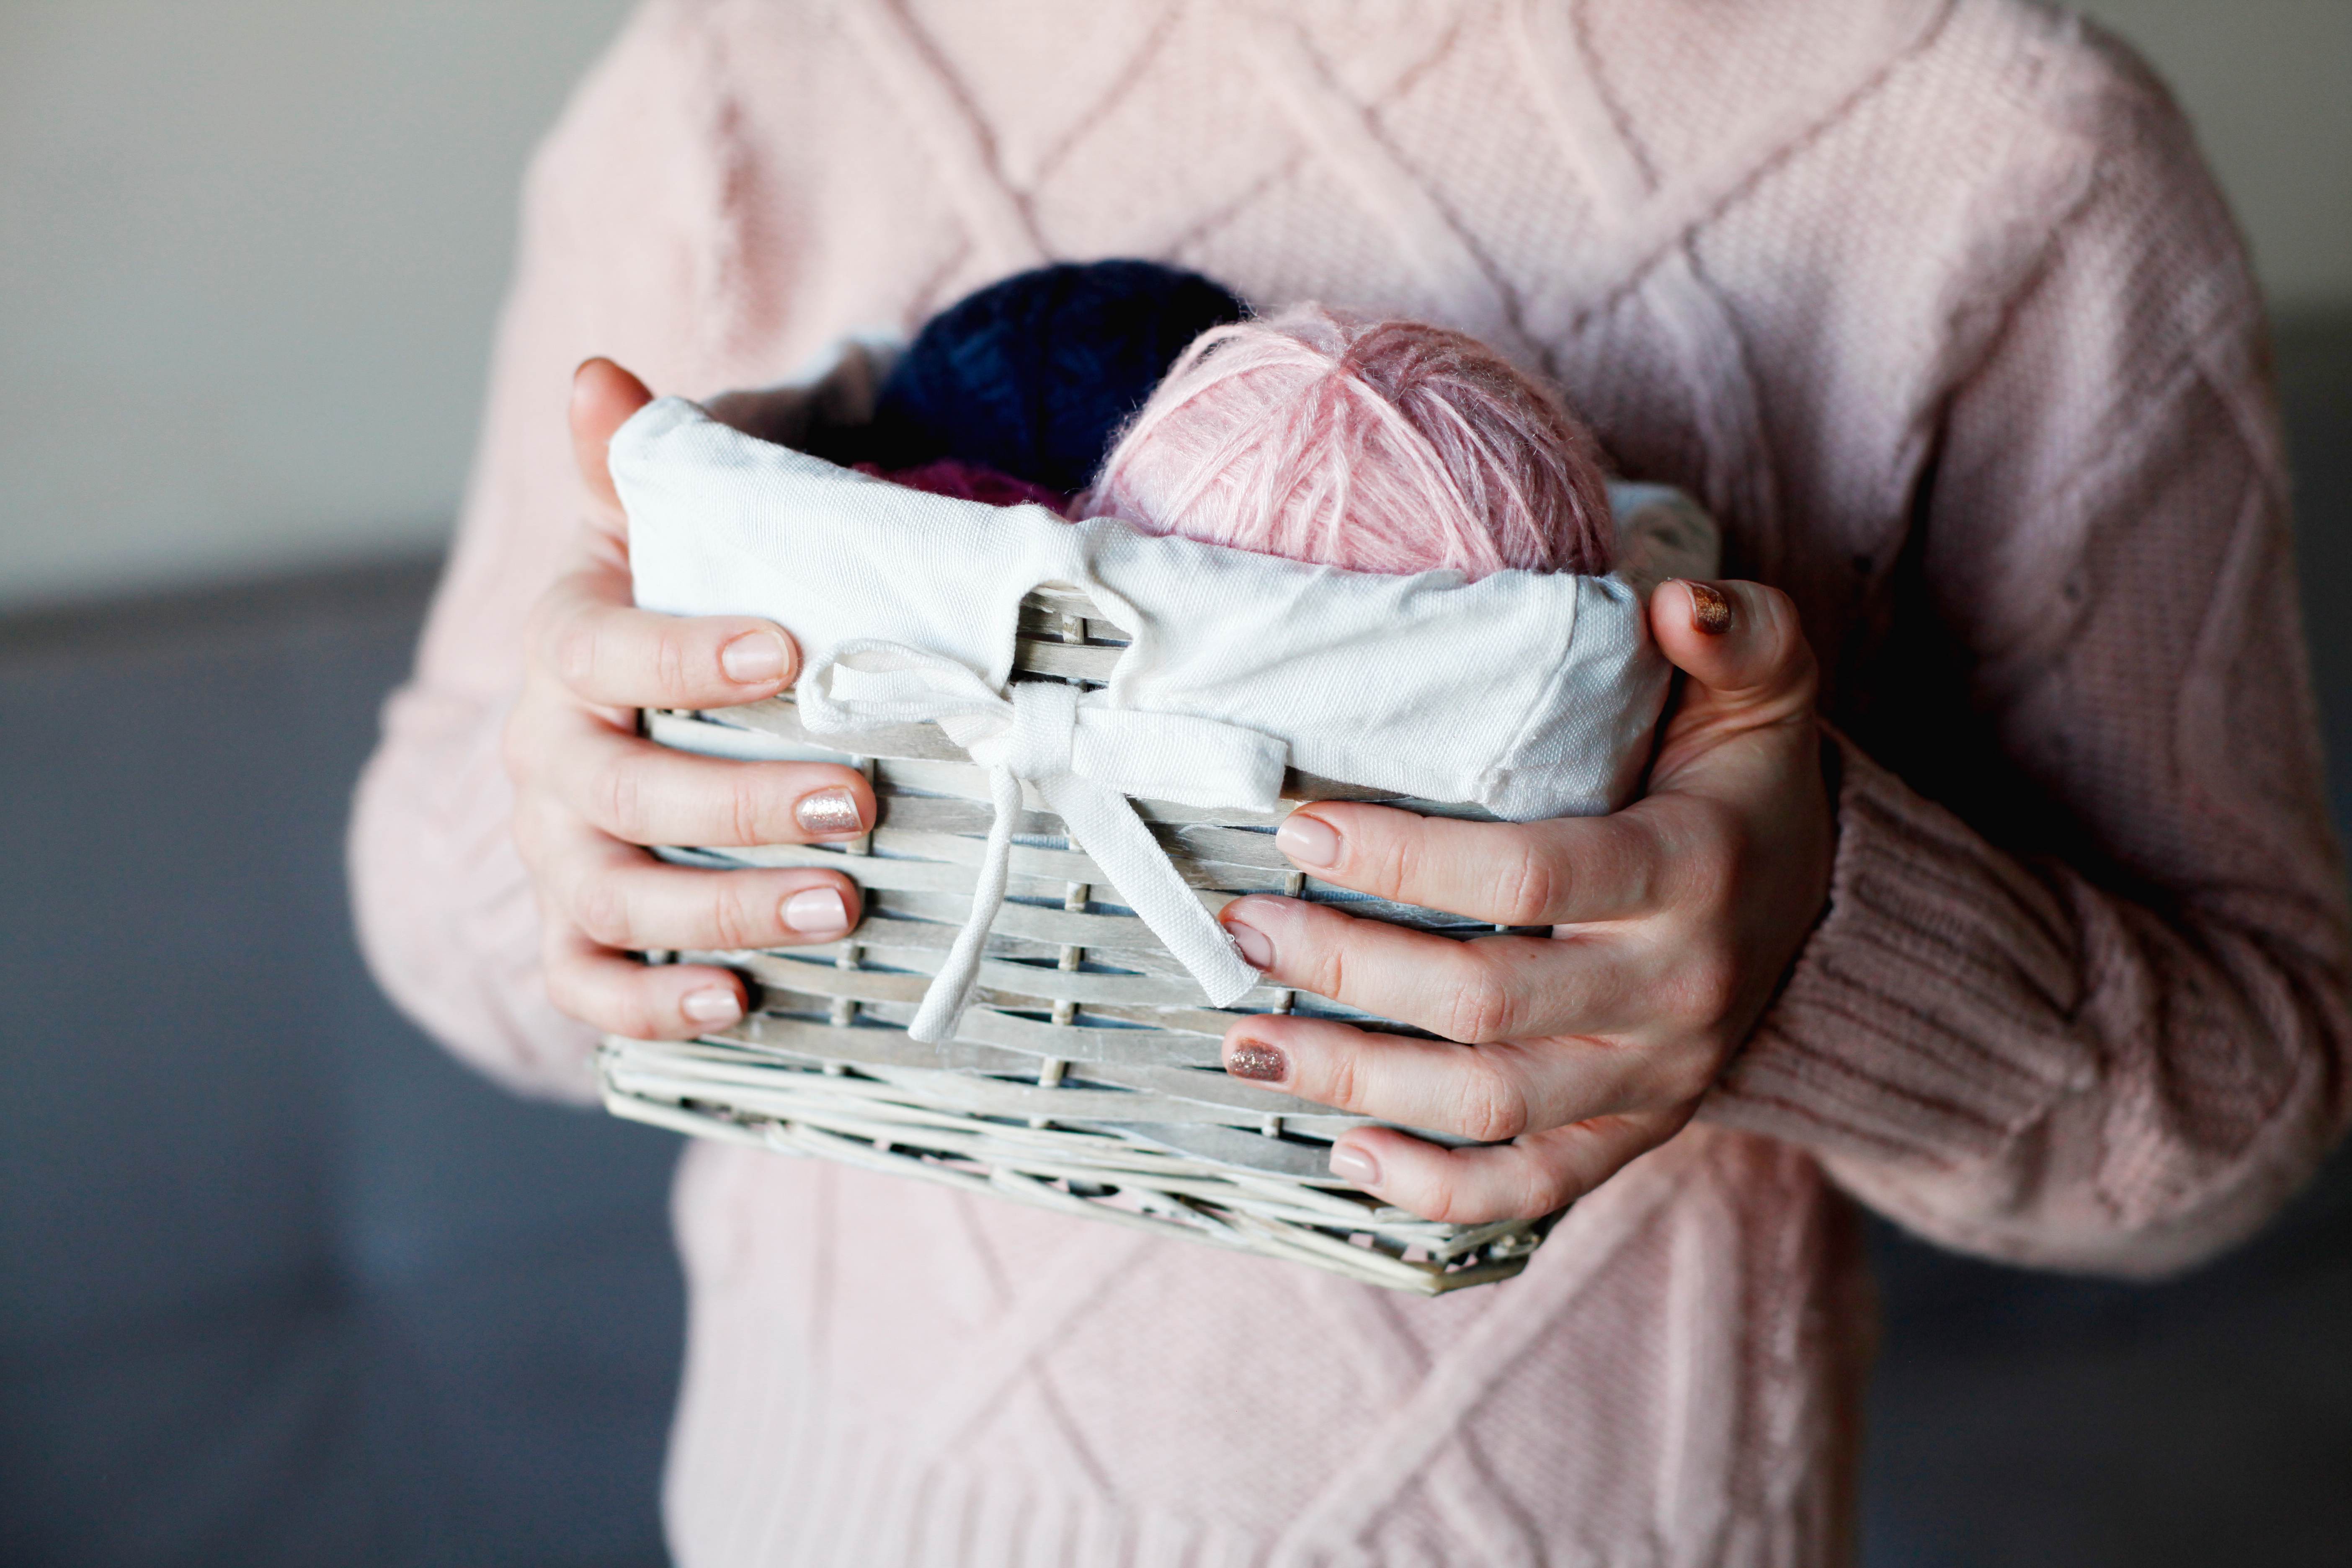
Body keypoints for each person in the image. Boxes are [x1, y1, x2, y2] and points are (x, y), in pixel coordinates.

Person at [349, 1, 2351, 1561]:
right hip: (825, 1519)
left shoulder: (2008, 153)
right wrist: (587, 834)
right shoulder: (755, 70)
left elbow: (2249, 1105)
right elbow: (434, 876)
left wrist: (1816, 940)